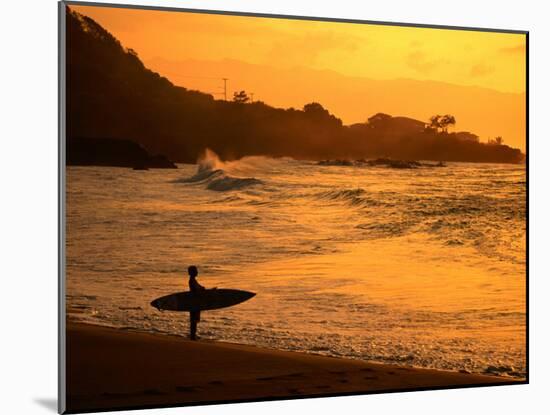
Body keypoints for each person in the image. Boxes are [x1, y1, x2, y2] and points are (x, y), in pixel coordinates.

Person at [187, 265, 205, 340]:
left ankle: (193, 335)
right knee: (193, 320)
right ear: (192, 272)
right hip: (194, 302)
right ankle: (192, 336)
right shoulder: (191, 280)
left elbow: (200, 288)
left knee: (194, 319)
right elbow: (197, 289)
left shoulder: (193, 280)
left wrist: (203, 289)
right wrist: (202, 289)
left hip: (195, 302)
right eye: (196, 271)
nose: (197, 272)